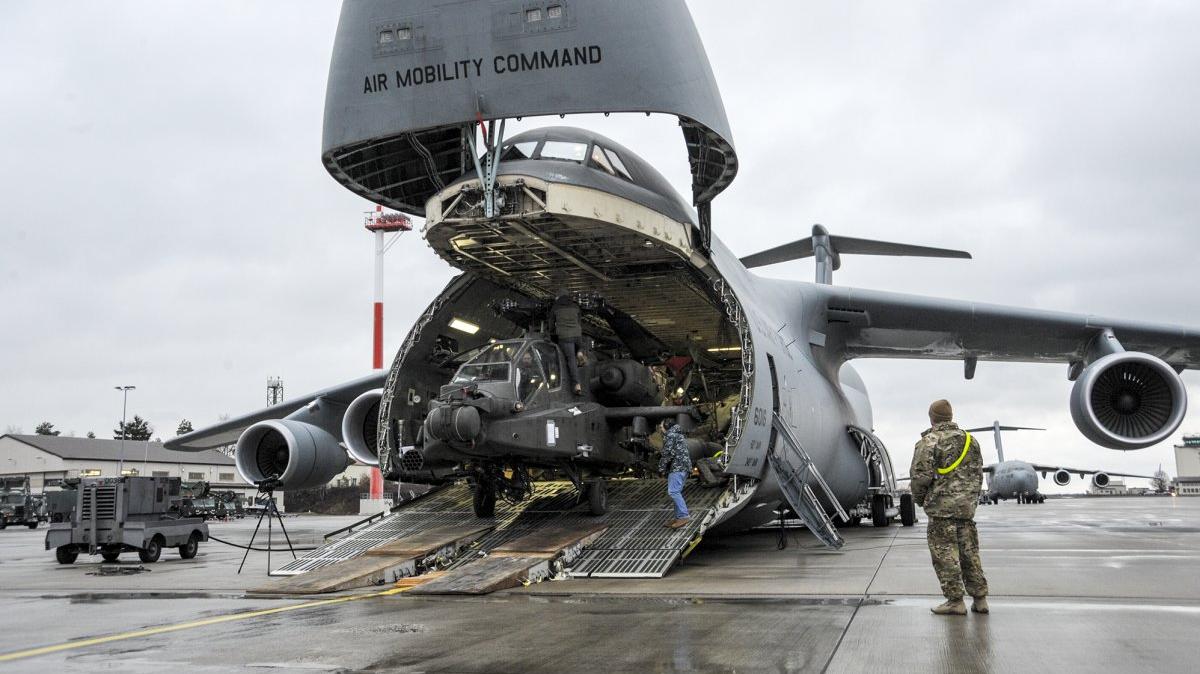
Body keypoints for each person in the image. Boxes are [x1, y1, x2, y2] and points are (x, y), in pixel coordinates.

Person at [910, 399, 990, 616]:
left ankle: (955, 601)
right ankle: (980, 599)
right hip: (966, 510)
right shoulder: (970, 441)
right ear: (951, 416)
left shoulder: (929, 441)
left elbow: (920, 478)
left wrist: (921, 500)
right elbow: (978, 474)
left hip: (941, 510)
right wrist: (969, 500)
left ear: (932, 417)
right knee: (969, 554)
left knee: (946, 556)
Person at [658, 418, 691, 528]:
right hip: (683, 467)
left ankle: (683, 516)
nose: (660, 428)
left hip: (678, 467)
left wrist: (661, 468)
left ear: (667, 426)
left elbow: (667, 454)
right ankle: (678, 517)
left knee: (673, 492)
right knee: (676, 491)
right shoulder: (677, 434)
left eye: (661, 426)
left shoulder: (670, 435)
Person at [552, 293, 584, 395]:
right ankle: (579, 352)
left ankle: (577, 384)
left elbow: (551, 324)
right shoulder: (575, 306)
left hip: (565, 337)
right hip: (577, 336)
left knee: (570, 360)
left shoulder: (555, 308)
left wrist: (552, 335)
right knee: (577, 348)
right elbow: (579, 321)